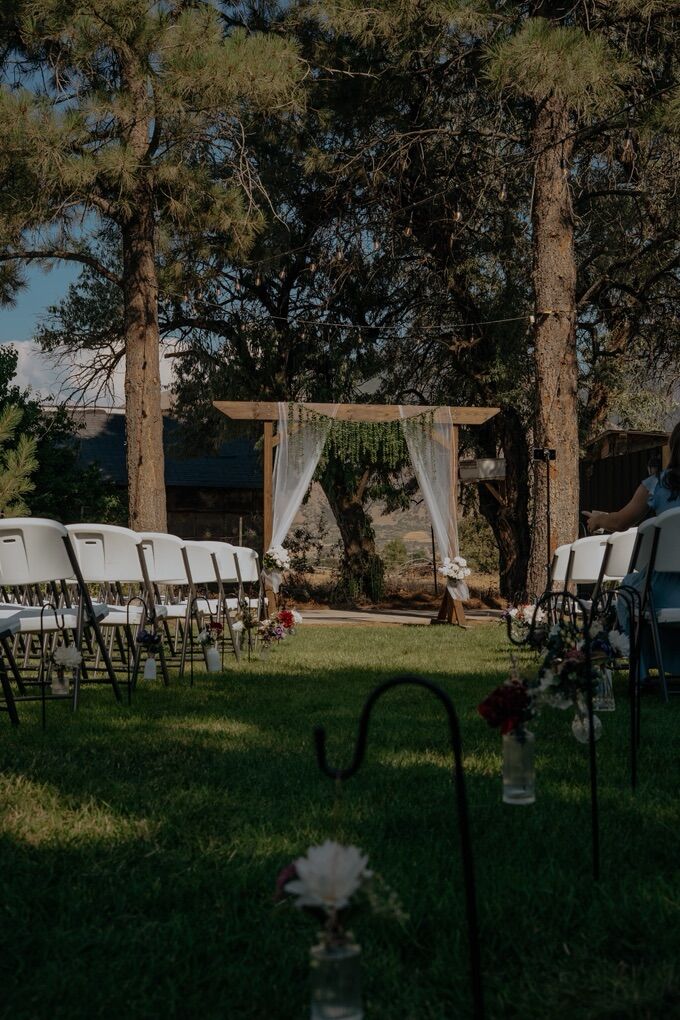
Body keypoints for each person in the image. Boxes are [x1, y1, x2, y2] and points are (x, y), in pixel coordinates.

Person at [584, 422, 680, 680]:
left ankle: (641, 671)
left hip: (660, 592)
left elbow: (620, 522)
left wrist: (598, 520)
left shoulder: (656, 485)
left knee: (629, 594)